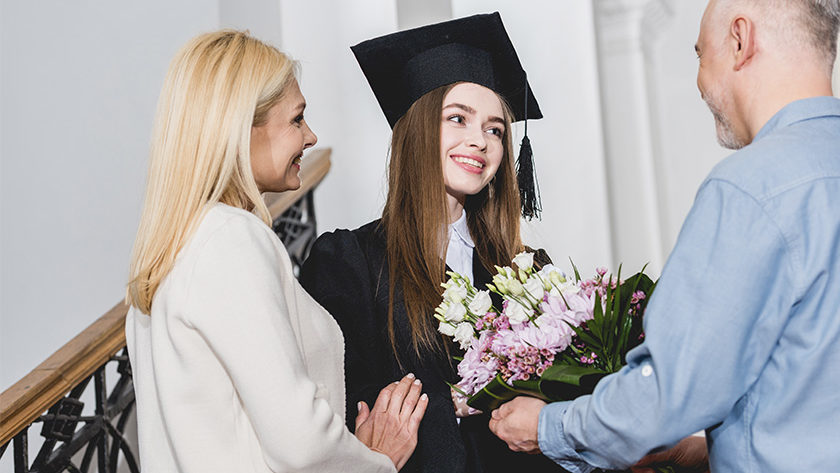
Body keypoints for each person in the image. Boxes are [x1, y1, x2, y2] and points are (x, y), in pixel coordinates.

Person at [488, 1, 840, 472]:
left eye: (700, 54)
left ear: (740, 40)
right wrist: (703, 451)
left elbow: (669, 392)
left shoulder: (750, 188)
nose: (699, 81)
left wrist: (549, 427)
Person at [125, 30, 428, 473]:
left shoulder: (169, 250)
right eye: (297, 119)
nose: (311, 136)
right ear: (238, 127)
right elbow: (299, 441)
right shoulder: (230, 239)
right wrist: (375, 462)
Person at [300, 13, 559, 473]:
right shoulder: (349, 264)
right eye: (457, 119)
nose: (479, 141)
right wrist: (458, 401)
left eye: (495, 129)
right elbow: (345, 409)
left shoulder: (528, 272)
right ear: (417, 129)